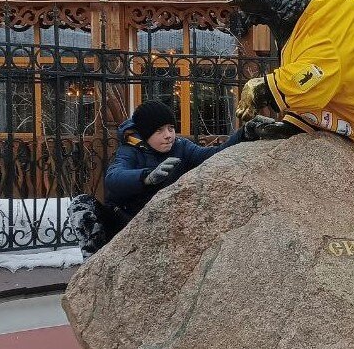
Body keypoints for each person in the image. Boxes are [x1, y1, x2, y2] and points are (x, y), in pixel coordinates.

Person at [69, 100, 259, 257]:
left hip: (163, 226)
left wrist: (244, 133)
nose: (168, 135)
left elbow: (213, 155)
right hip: (123, 221)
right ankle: (94, 261)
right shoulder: (130, 150)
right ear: (145, 133)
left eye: (171, 128)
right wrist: (146, 177)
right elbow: (114, 178)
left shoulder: (181, 147)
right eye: (159, 130)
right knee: (81, 204)